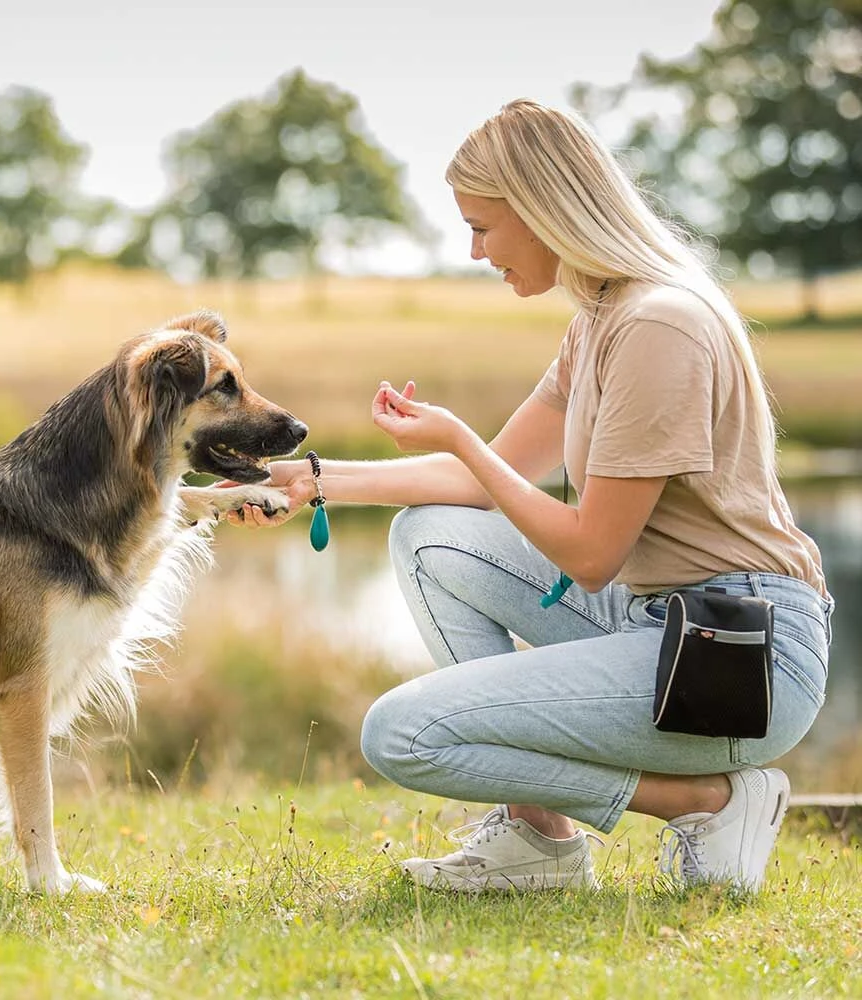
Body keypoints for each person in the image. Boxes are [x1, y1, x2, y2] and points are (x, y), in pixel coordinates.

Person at [218, 99, 834, 894]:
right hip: (657, 620)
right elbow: (484, 486)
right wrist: (311, 481)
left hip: (739, 655)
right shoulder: (602, 321)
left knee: (403, 734)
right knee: (430, 534)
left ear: (544, 210)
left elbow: (588, 551)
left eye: (483, 226)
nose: (474, 250)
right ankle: (537, 840)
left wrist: (459, 437)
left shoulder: (660, 327)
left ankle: (705, 800)